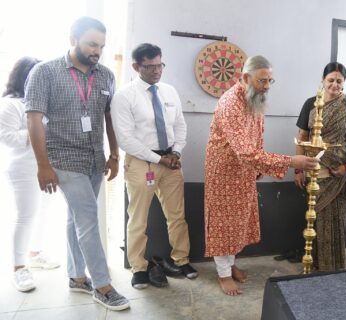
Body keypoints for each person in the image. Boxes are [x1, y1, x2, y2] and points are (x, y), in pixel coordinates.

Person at [24, 16, 129, 311]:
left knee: (75, 219)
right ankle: (102, 285)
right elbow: (34, 120)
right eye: (91, 44)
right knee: (87, 220)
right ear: (73, 39)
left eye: (101, 46)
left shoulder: (107, 75)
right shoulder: (44, 72)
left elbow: (110, 117)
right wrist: (43, 166)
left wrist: (114, 154)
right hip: (63, 158)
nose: (97, 51)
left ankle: (76, 276)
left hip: (95, 159)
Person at [204, 55, 318, 296]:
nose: (266, 86)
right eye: (262, 81)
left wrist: (257, 168)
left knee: (236, 222)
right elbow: (246, 152)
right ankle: (223, 274)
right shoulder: (230, 104)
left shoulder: (253, 99)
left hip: (244, 170)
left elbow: (257, 137)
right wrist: (291, 162)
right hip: (223, 174)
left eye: (270, 81)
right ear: (245, 78)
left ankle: (230, 264)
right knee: (223, 224)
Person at [111, 43, 198, 290]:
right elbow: (126, 139)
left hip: (172, 160)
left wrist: (177, 152)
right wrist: (160, 159)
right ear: (136, 66)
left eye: (160, 64)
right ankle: (138, 267)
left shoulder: (169, 92)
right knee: (138, 218)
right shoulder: (124, 96)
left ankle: (181, 259)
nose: (156, 70)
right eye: (150, 66)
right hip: (142, 163)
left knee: (177, 215)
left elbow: (179, 126)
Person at [294, 62, 346, 272]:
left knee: (336, 223)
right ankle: (314, 264)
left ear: (344, 82)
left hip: (339, 177)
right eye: (331, 80)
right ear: (323, 80)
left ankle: (333, 268)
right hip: (315, 172)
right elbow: (302, 136)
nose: (334, 85)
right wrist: (298, 169)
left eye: (339, 81)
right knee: (314, 220)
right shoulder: (312, 103)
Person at [0, 57, 61, 292]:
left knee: (43, 210)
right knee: (26, 215)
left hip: (47, 165)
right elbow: (6, 137)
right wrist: (36, 132)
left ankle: (35, 253)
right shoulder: (11, 104)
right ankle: (18, 268)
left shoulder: (41, 102)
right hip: (23, 168)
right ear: (26, 76)